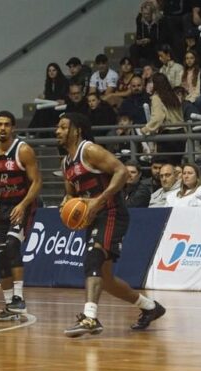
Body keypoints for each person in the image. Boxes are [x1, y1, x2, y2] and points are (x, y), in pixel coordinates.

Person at [56, 113, 164, 337]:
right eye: (58, 127)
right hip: (94, 216)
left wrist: (100, 199)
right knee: (105, 279)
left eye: (63, 127)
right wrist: (66, 203)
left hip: (112, 212)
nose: (58, 131)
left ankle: (90, 318)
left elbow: (121, 171)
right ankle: (150, 307)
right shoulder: (66, 162)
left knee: (93, 258)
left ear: (76, 130)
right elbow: (71, 194)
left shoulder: (90, 150)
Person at [0, 111, 42, 321]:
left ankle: (19, 298)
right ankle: (10, 304)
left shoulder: (24, 150)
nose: (3, 128)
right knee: (1, 252)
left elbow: (37, 182)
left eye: (7, 124)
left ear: (13, 128)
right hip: (2, 205)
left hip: (22, 203)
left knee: (12, 245)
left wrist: (22, 204)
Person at [139, 73, 185, 163]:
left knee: (164, 164)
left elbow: (158, 117)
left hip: (168, 134)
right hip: (181, 132)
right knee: (176, 164)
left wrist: (145, 129)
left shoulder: (156, 98)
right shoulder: (174, 96)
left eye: (151, 82)